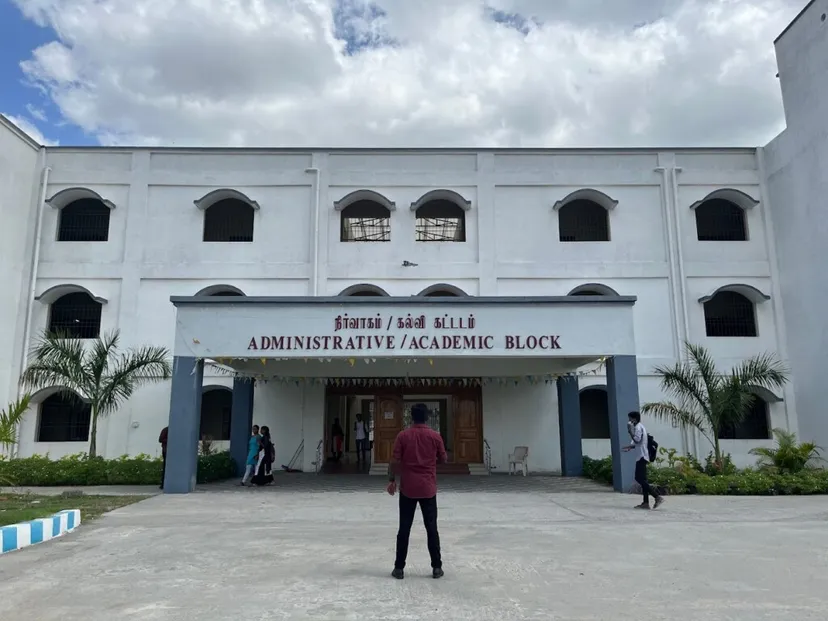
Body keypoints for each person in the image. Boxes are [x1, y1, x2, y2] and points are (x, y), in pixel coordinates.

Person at [387, 403, 447, 580]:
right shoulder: (435, 437)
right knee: (432, 529)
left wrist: (391, 480)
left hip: (408, 488)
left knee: (404, 529)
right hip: (428, 488)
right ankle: (436, 567)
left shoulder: (403, 436)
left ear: (411, 417)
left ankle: (399, 568)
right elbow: (443, 459)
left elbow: (394, 461)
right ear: (427, 417)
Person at [623, 411, 664, 510]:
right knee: (643, 480)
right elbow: (639, 442)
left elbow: (637, 440)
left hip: (641, 456)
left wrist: (630, 432)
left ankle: (657, 497)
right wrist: (630, 447)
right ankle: (645, 503)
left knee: (639, 478)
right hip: (642, 455)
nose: (629, 421)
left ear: (634, 419)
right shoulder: (641, 427)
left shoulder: (637, 428)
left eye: (630, 419)